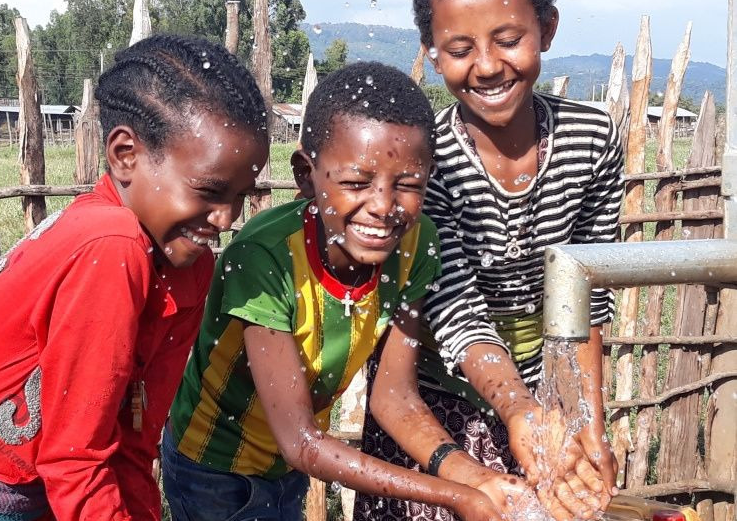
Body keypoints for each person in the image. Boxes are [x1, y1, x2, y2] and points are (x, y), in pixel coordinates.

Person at [0, 34, 270, 521]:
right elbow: (75, 460)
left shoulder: (192, 272)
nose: (226, 218)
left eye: (241, 195)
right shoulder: (109, 245)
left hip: (28, 490)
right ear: (125, 154)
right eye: (210, 190)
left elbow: (132, 444)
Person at [163, 61, 534, 521]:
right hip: (216, 470)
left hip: (289, 465)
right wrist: (455, 495)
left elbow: (392, 396)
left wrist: (472, 477)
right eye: (356, 183)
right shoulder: (265, 258)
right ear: (306, 174)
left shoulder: (416, 246)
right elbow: (301, 441)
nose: (382, 207)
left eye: (409, 185)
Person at [355, 0, 624, 521]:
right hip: (437, 402)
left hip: (537, 409)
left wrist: (587, 428)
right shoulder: (427, 161)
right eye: (459, 49)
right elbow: (454, 306)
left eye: (507, 39)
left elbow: (586, 300)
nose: (487, 66)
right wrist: (518, 409)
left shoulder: (593, 140)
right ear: (430, 50)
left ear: (546, 29)